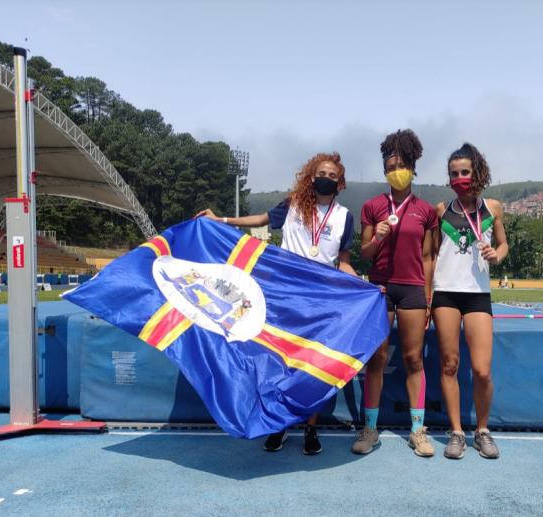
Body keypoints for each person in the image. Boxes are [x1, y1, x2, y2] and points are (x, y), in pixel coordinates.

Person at [196, 152, 356, 455]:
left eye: (333, 175)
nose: (327, 178)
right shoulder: (293, 204)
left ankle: (311, 427)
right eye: (322, 172)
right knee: (280, 361)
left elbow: (344, 264)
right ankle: (278, 425)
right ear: (311, 176)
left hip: (319, 300)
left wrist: (366, 286)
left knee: (312, 365)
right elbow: (261, 220)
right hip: (284, 296)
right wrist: (222, 220)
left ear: (340, 183)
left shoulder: (344, 217)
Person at [354, 129, 438, 457]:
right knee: (375, 360)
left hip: (414, 289)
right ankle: (370, 429)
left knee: (413, 359)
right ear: (384, 169)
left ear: (414, 167)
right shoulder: (372, 207)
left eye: (402, 164)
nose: (396, 170)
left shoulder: (426, 211)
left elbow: (429, 257)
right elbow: (365, 253)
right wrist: (376, 238)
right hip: (380, 289)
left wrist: (429, 297)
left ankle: (418, 431)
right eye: (390, 165)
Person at [431, 143, 508, 460]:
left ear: (477, 172)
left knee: (482, 370)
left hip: (478, 294)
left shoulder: (493, 208)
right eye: (453, 174)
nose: (459, 178)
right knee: (450, 365)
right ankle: (457, 432)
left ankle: (483, 431)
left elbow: (503, 246)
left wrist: (496, 254)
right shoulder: (440, 210)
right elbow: (432, 253)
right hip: (445, 291)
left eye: (465, 172)